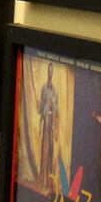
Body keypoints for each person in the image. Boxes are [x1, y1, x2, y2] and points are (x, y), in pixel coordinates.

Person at [38, 62, 60, 192]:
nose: (50, 73)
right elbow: (41, 108)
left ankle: (51, 183)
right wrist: (44, 107)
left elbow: (57, 111)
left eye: (52, 71)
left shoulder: (55, 90)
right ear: (47, 72)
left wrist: (57, 129)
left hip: (52, 124)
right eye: (49, 71)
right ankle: (42, 180)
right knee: (44, 153)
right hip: (45, 123)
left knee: (52, 153)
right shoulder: (43, 88)